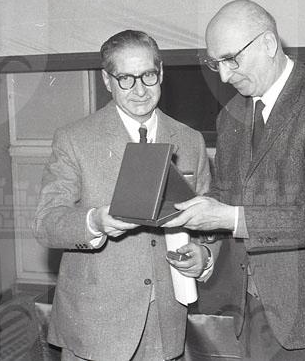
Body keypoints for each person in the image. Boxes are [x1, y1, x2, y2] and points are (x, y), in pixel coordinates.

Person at [163, 0, 305, 360]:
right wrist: (202, 238)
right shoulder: (231, 115)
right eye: (215, 63)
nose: (224, 76)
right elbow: (229, 195)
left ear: (268, 43)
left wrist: (227, 217)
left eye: (231, 59)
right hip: (255, 313)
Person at [33, 29, 213, 361]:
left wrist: (204, 255)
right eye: (126, 79)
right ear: (107, 80)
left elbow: (207, 224)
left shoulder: (190, 141)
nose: (140, 90)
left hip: (165, 318)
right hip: (95, 323)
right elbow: (46, 224)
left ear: (161, 72)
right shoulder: (74, 139)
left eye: (148, 75)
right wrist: (95, 222)